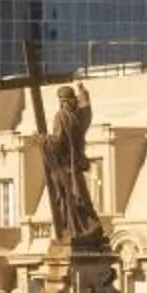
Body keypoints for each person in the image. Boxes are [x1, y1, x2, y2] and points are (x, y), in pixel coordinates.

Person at [38, 81, 106, 246]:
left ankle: (77, 228)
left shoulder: (62, 116)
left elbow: (58, 140)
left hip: (66, 166)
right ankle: (83, 227)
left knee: (71, 198)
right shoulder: (77, 116)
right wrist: (83, 92)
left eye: (63, 100)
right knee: (78, 196)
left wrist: (44, 141)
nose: (64, 103)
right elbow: (86, 108)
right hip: (74, 164)